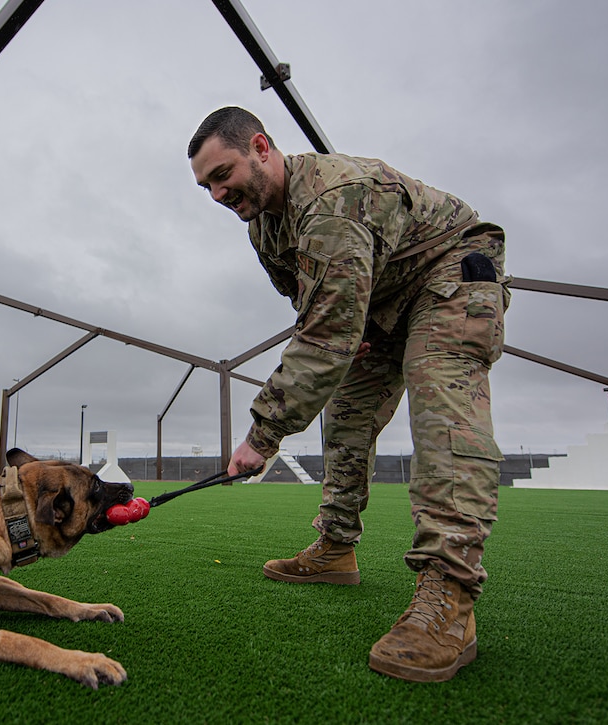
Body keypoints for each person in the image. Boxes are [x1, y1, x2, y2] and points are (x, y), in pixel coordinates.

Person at [188, 106, 509, 683]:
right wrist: (348, 331)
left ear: (261, 147)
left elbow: (325, 333)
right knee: (345, 419)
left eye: (222, 173)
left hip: (448, 272)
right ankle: (335, 549)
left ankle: (449, 598)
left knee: (443, 416)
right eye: (206, 184)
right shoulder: (264, 225)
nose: (216, 193)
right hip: (378, 304)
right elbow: (312, 307)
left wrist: (262, 435)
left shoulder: (335, 200)